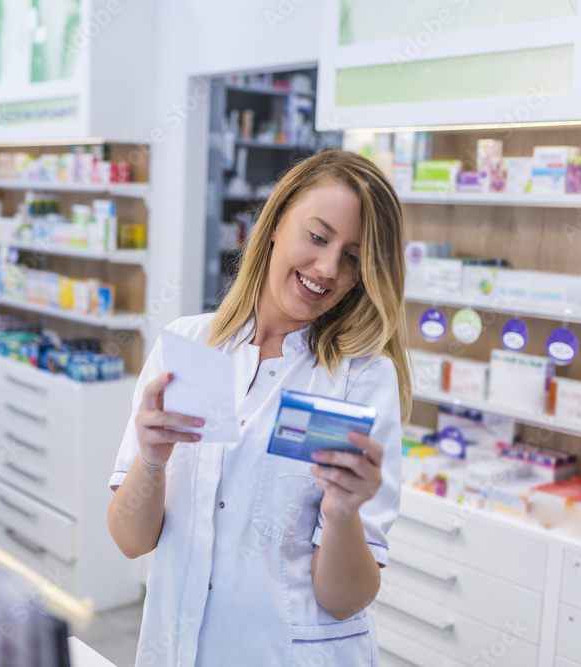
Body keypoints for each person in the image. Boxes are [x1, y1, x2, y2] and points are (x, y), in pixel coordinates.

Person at [107, 149, 411, 666]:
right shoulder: (188, 345)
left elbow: (346, 600)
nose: (328, 268)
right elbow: (130, 540)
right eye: (317, 237)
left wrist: (342, 513)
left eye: (354, 257)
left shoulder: (359, 379)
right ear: (274, 224)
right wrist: (152, 460)